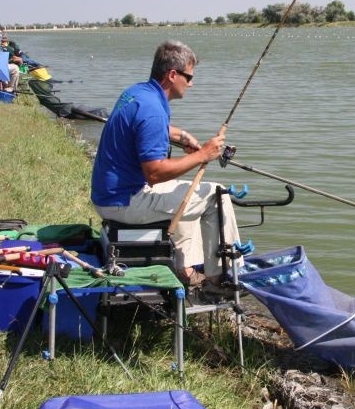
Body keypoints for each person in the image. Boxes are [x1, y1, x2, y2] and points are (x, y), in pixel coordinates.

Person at [90, 40, 244, 290]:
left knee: (182, 191)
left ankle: (183, 268)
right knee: (217, 195)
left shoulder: (138, 93)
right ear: (173, 75)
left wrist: (182, 137)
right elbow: (155, 173)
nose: (191, 83)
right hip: (124, 202)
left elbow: (139, 128)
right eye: (189, 77)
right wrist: (203, 154)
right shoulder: (153, 109)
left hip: (108, 195)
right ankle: (223, 277)